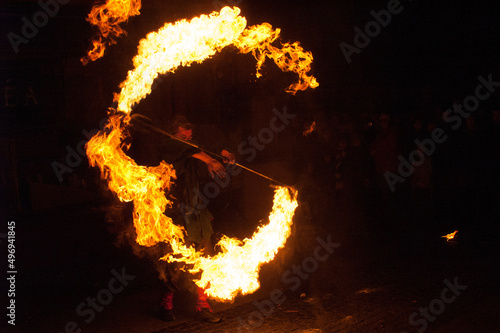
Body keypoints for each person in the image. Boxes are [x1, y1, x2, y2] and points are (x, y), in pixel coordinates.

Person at [156, 115, 234, 323]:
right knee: (177, 262)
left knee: (205, 259)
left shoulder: (192, 148)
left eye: (189, 137)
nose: (187, 140)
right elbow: (186, 150)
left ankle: (203, 306)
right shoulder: (168, 148)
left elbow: (200, 147)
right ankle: (166, 305)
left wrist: (221, 153)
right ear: (173, 135)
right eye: (183, 136)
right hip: (175, 213)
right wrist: (209, 158)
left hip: (197, 211)